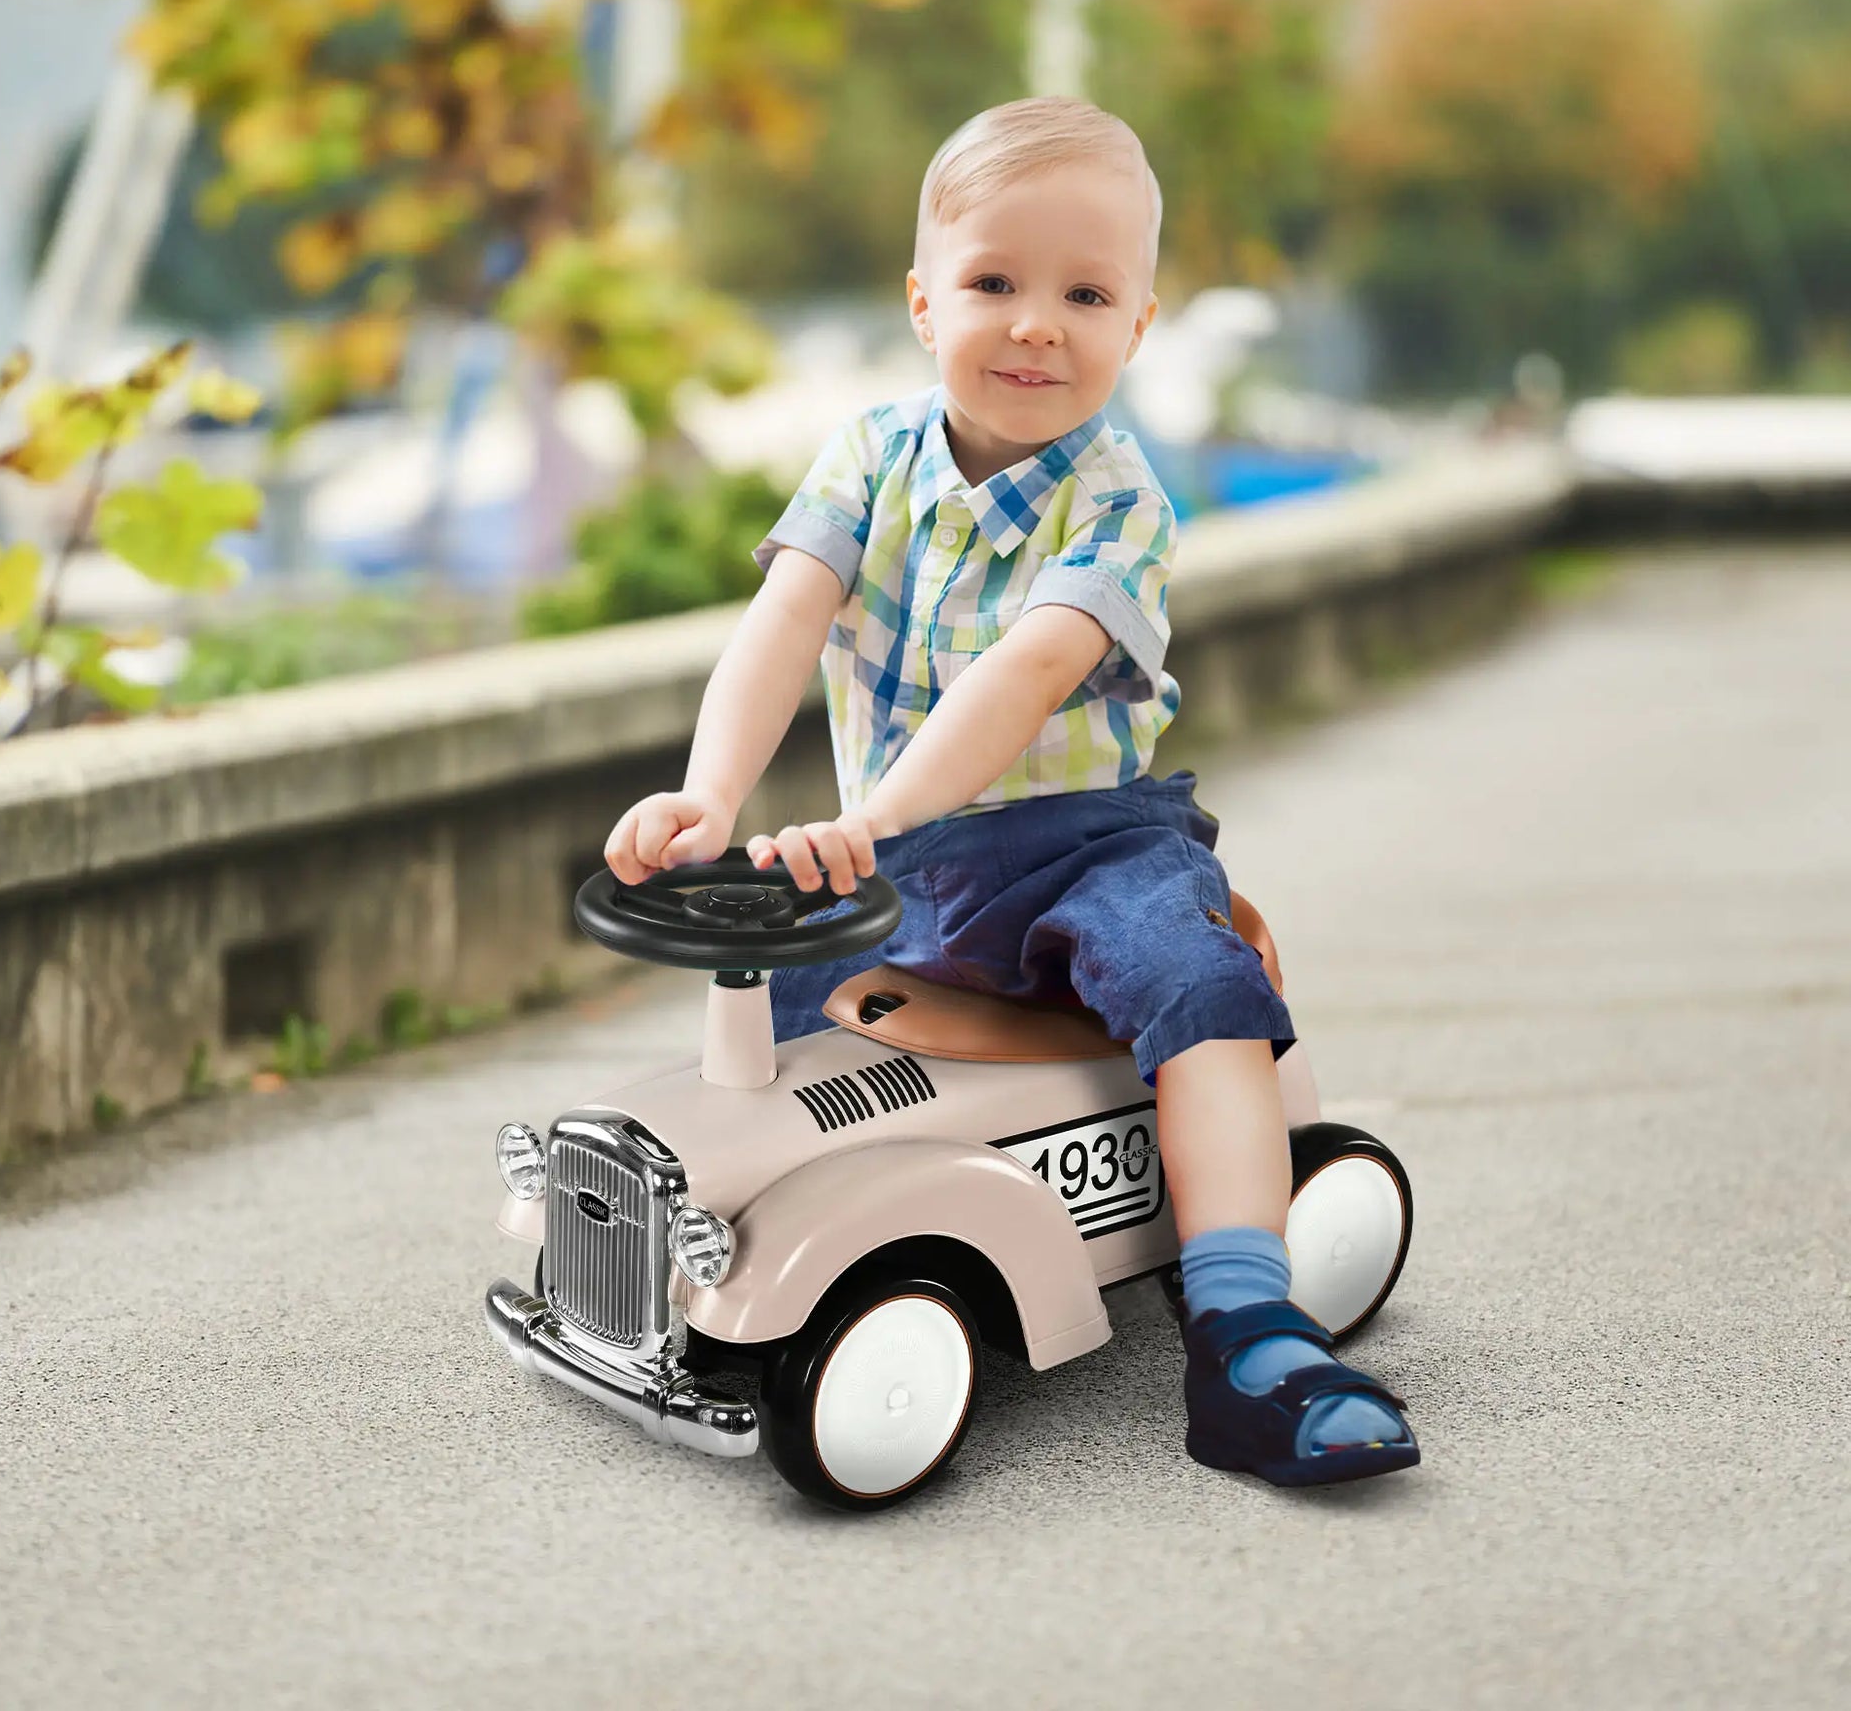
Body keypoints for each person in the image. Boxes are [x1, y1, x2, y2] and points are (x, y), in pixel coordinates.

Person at [603, 96, 1418, 1486]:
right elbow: (782, 623)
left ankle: (1243, 1321)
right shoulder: (867, 456)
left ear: (1137, 325)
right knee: (767, 1062)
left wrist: (878, 816)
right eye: (994, 283)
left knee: (1188, 975)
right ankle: (695, 1264)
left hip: (1080, 838)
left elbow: (1026, 673)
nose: (1036, 323)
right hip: (899, 855)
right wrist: (709, 791)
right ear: (924, 302)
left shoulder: (1119, 505)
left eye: (1083, 292)